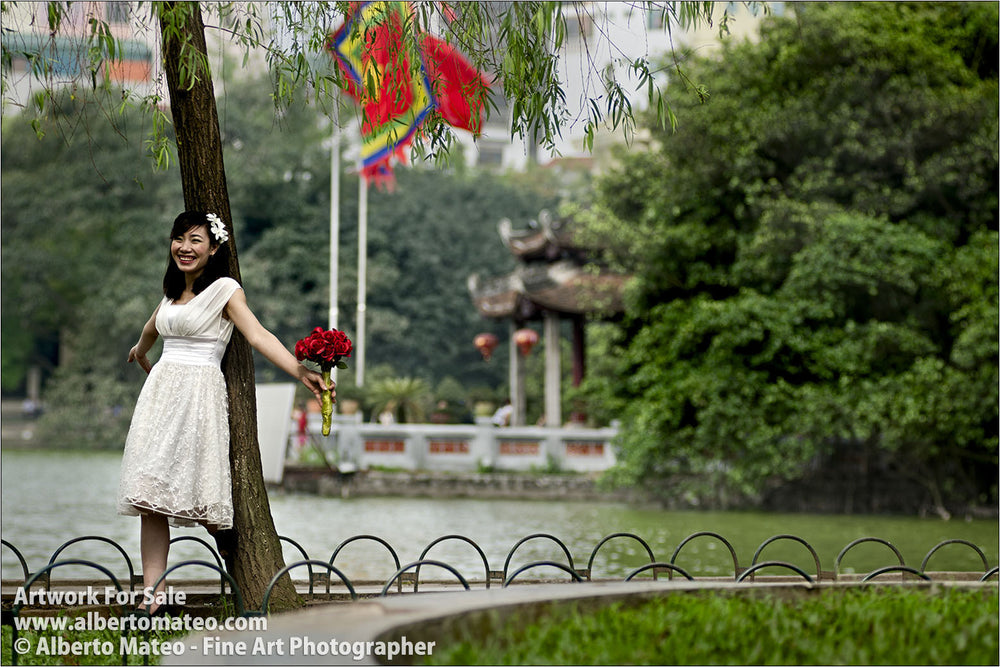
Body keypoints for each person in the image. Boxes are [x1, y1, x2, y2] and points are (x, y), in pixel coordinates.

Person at [116, 210, 329, 614]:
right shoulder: (170, 293)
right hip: (160, 398)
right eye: (179, 238)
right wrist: (141, 353)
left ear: (213, 248)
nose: (185, 247)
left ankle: (246, 577)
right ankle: (153, 595)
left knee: (201, 493)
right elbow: (152, 329)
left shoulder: (226, 290)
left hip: (199, 394)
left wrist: (302, 372)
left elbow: (258, 334)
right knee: (148, 493)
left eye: (196, 240)